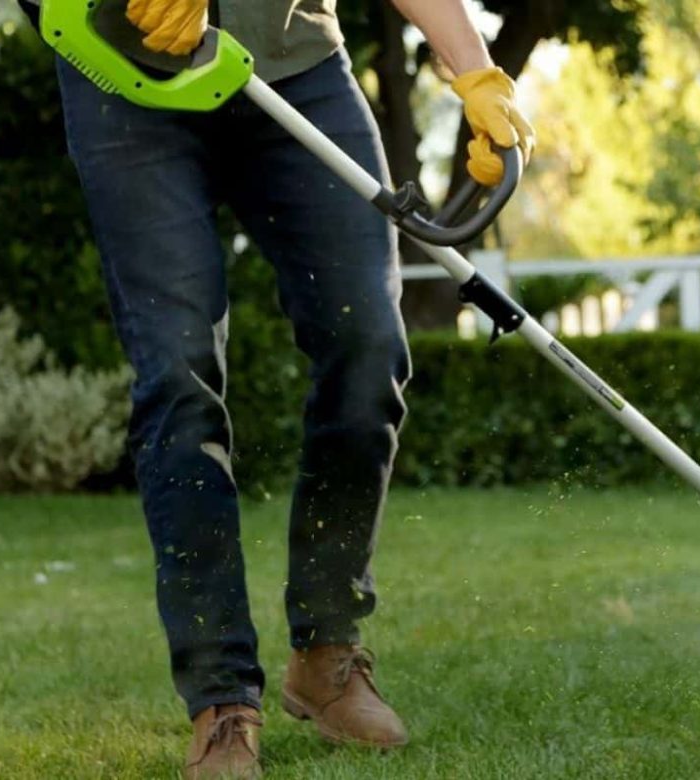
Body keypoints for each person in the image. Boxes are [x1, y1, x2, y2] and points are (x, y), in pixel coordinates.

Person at [52, 0, 535, 776]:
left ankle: (327, 652)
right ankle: (221, 699)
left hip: (295, 66)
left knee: (368, 344)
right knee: (177, 373)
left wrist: (475, 68)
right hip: (127, 76)